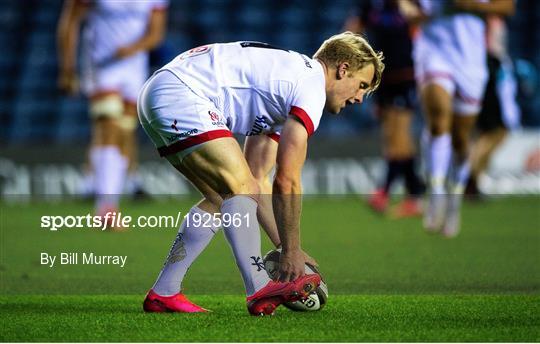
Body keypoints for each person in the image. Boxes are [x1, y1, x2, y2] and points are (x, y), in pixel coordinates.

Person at [138, 32, 384, 315]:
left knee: (226, 196)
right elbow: (287, 180)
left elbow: (258, 178)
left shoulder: (289, 84)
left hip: (161, 91)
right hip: (182, 94)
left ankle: (164, 293)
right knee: (239, 188)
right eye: (361, 85)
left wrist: (284, 246)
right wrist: (291, 251)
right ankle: (258, 287)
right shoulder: (312, 86)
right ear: (343, 69)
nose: (360, 98)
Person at [401, 0, 515, 237]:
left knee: (461, 138)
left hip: (470, 59)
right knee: (438, 120)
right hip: (433, 47)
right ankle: (435, 192)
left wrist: (470, 7)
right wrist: (408, 8)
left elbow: (507, 7)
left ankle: (454, 201)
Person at [57, 0, 168, 222]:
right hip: (101, 66)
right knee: (108, 127)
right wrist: (67, 68)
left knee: (124, 132)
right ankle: (106, 207)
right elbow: (69, 22)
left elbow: (156, 33)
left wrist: (132, 49)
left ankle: (106, 195)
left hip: (133, 70)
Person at [344, 0, 425, 218]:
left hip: (407, 74)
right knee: (393, 139)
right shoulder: (371, 5)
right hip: (382, 79)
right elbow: (352, 30)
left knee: (398, 137)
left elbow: (423, 22)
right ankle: (415, 195)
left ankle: (384, 191)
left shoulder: (409, 3)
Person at [466, 14, 521, 197]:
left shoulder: (491, 15)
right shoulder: (485, 16)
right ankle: (470, 178)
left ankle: (473, 179)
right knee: (495, 132)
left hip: (489, 74)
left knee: (492, 133)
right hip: (487, 75)